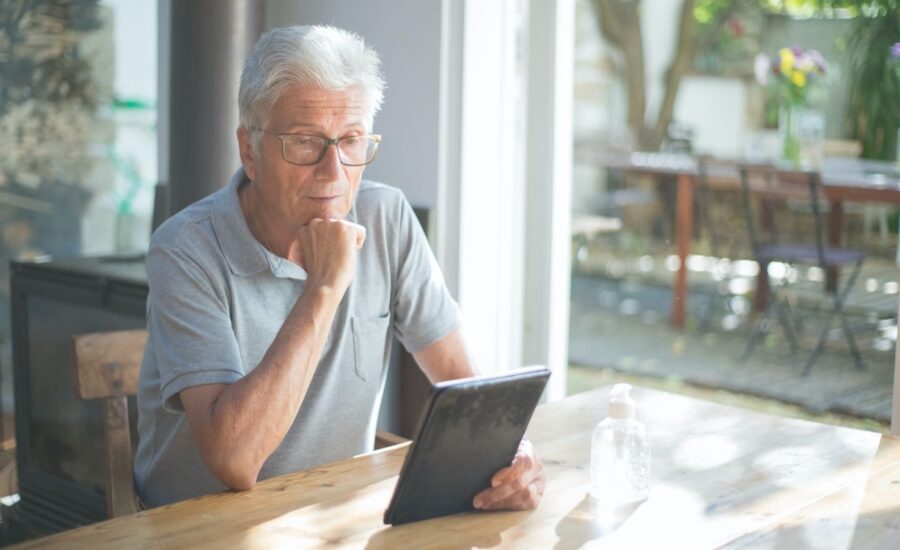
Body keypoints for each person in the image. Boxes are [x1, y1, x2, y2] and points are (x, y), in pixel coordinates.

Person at [134, 25, 544, 511]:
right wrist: (324, 288)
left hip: (332, 517)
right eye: (305, 142)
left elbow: (464, 385)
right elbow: (235, 461)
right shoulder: (184, 249)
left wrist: (510, 454)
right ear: (250, 150)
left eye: (351, 141)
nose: (333, 173)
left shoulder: (386, 218)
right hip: (197, 529)